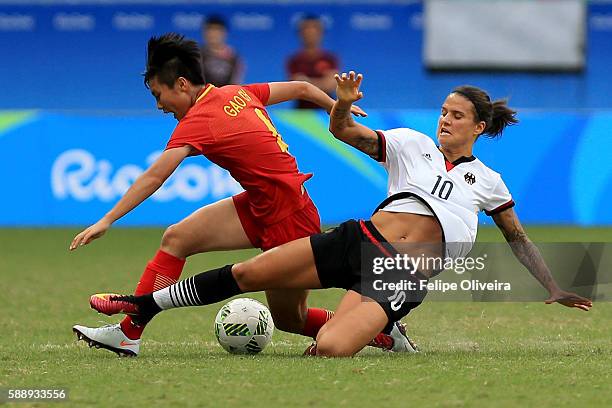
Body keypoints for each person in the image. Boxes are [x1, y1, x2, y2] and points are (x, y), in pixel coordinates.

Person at [93, 71, 593, 357]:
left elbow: (517, 239)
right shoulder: (410, 144)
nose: (444, 119)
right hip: (360, 239)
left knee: (331, 348)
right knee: (247, 272)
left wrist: (551, 285)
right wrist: (343, 105)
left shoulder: (488, 182)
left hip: (402, 272)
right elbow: (343, 133)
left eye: (456, 115)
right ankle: (141, 309)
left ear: (479, 127)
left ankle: (381, 329)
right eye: (443, 110)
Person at [70, 34, 384, 358]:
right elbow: (302, 89)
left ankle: (378, 331)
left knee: (291, 318)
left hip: (289, 217)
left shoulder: (198, 121)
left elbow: (154, 175)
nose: (159, 105)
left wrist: (107, 219)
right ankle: (128, 332)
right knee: (177, 238)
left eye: (158, 95)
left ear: (181, 85)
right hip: (261, 204)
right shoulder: (236, 92)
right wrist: (336, 107)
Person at [286, 15, 338, 109]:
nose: (310, 33)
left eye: (314, 29)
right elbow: (295, 86)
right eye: (306, 29)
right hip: (302, 112)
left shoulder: (330, 59)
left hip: (327, 110)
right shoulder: (294, 60)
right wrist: (321, 83)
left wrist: (306, 82)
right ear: (300, 34)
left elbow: (331, 85)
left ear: (321, 33)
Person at [199, 15, 243, 87]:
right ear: (204, 32)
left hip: (227, 96)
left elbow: (236, 83)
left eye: (217, 30)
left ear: (224, 33)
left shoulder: (234, 57)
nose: (213, 34)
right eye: (210, 30)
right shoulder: (196, 54)